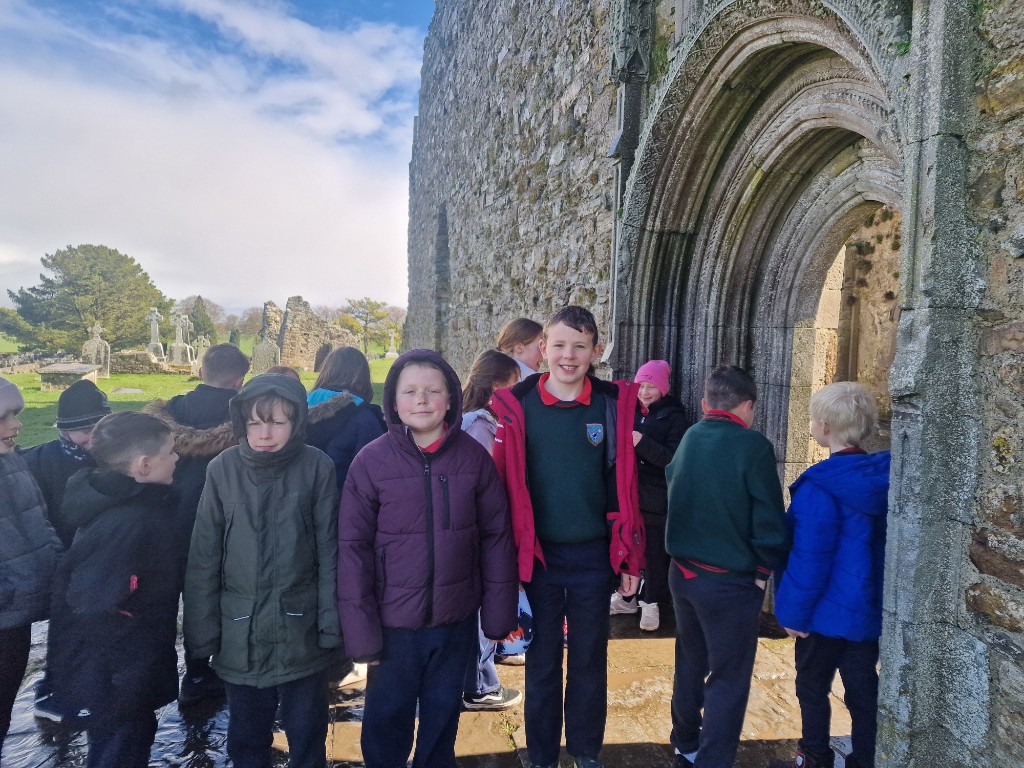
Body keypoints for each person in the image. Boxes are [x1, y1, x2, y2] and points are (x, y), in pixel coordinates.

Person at [338, 349, 517, 768]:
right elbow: (353, 549)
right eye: (410, 391)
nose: (421, 400)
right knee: (387, 717)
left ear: (451, 397)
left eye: (432, 390)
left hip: (454, 621)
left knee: (443, 714)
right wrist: (361, 632)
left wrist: (498, 616)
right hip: (393, 624)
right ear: (394, 400)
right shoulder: (371, 462)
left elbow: (495, 538)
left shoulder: (473, 459)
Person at [491, 305, 645, 768]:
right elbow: (500, 490)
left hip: (594, 558)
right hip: (538, 559)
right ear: (543, 348)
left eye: (580, 346)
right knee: (541, 662)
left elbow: (626, 489)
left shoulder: (610, 405)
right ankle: (541, 755)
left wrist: (631, 560)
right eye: (559, 345)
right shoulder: (518, 405)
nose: (568, 355)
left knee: (589, 660)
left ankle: (584, 751)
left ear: (596, 351)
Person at [184, 374, 341, 768]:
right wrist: (202, 633)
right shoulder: (222, 469)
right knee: (247, 737)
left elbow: (330, 551)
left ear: (297, 421)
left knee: (307, 732)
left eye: (277, 422)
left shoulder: (317, 467)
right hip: (242, 632)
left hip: (301, 629)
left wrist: (331, 627)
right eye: (254, 423)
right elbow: (204, 555)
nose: (264, 433)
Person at [664, 365, 790, 768]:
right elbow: (769, 517)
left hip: (682, 573)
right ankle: (713, 760)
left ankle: (685, 741)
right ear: (748, 405)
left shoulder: (691, 436)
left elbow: (673, 486)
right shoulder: (753, 446)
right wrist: (764, 572)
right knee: (729, 678)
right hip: (728, 583)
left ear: (706, 403)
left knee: (689, 660)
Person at [47, 412, 181, 768]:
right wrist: (127, 671)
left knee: (128, 737)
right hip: (119, 669)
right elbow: (97, 601)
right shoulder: (130, 520)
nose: (177, 458)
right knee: (120, 746)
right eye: (170, 451)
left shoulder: (127, 504)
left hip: (121, 664)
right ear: (144, 465)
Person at [768, 382, 891, 768]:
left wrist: (793, 615)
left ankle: (814, 757)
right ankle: (866, 759)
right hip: (864, 612)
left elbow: (810, 559)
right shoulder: (885, 477)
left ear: (823, 427)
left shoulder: (819, 486)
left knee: (811, 687)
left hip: (821, 616)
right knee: (863, 692)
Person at [144, 342, 249, 707]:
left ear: (201, 372)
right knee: (219, 596)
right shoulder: (245, 416)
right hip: (226, 520)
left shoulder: (170, 411)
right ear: (240, 381)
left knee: (176, 599)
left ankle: (180, 674)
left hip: (170, 518)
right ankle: (214, 668)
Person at [22, 379, 111, 721]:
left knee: (97, 630)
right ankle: (54, 694)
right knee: (67, 632)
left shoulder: (113, 456)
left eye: (97, 428)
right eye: (82, 431)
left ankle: (92, 685)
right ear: (64, 430)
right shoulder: (40, 461)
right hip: (64, 560)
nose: (90, 438)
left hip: (103, 560)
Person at [0, 377, 60, 763]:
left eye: (16, 415)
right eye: (4, 417)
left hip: (14, 616)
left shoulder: (12, 461)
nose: (16, 425)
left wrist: (57, 568)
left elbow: (38, 520)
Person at [459, 348, 524, 710]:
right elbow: (484, 484)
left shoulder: (474, 419)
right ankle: (479, 687)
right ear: (497, 385)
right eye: (514, 382)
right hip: (479, 532)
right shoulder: (479, 426)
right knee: (480, 607)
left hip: (477, 531)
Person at [609, 359, 689, 632]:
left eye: (651, 386)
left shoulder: (675, 418)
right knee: (627, 545)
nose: (644, 392)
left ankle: (651, 602)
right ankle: (627, 598)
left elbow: (673, 460)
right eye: (641, 385)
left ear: (663, 388)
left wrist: (642, 443)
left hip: (656, 497)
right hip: (628, 492)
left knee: (654, 552)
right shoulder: (628, 410)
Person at [22, 379, 111, 546]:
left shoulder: (118, 457)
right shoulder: (39, 463)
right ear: (66, 430)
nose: (95, 438)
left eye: (102, 430)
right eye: (86, 431)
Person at [306, 345, 387, 491]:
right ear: (362, 377)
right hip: (344, 499)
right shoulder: (364, 417)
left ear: (327, 372)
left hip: (298, 499)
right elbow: (376, 470)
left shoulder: (297, 408)